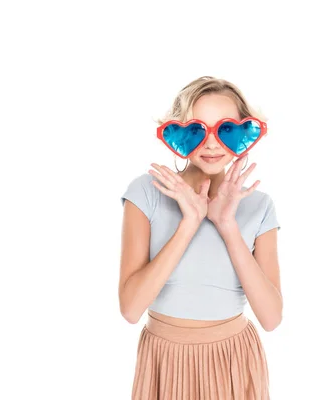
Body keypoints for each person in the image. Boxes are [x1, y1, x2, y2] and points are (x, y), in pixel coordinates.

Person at [119, 76, 282, 399]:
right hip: (164, 360)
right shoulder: (145, 193)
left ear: (243, 134)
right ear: (176, 134)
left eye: (225, 130)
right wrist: (189, 222)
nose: (210, 144)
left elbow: (271, 318)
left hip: (234, 360)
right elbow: (131, 308)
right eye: (196, 130)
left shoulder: (259, 205)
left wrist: (227, 226)